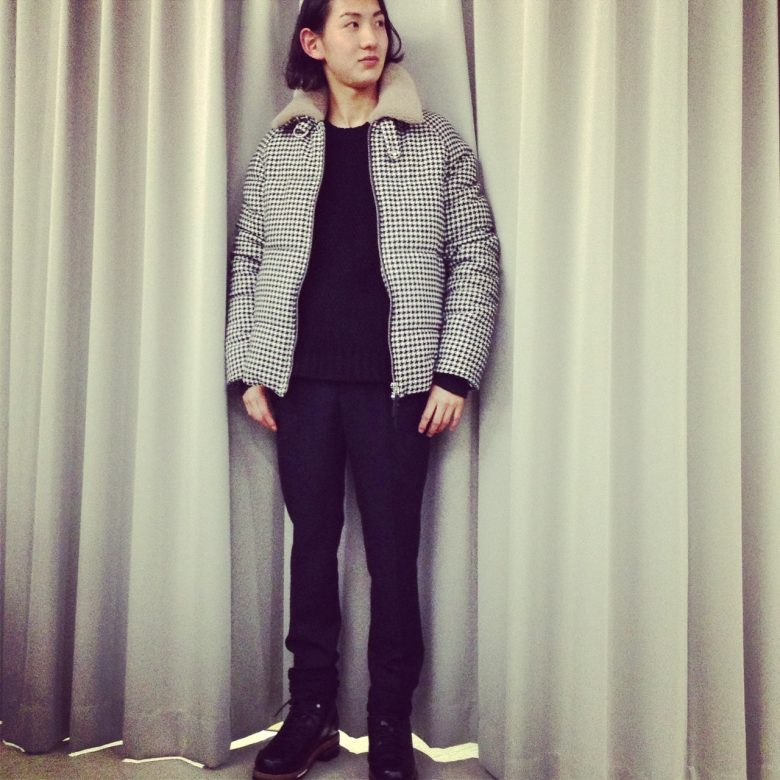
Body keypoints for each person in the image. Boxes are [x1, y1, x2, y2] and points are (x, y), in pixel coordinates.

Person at [225, 1, 499, 777]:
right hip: (301, 385)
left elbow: (475, 256)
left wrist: (454, 370)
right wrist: (248, 365)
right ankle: (310, 712)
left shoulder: (435, 140)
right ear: (314, 41)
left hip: (397, 387)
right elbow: (249, 257)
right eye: (351, 22)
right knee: (311, 551)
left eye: (377, 20)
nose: (370, 36)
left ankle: (388, 722)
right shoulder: (282, 145)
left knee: (392, 555)